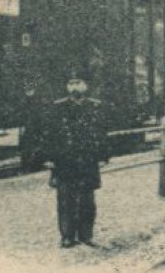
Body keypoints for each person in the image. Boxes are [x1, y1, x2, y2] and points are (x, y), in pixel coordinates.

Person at [37, 68, 112, 248]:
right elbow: (49, 134)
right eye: (71, 83)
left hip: (87, 160)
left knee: (88, 200)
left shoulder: (95, 106)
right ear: (66, 87)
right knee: (65, 200)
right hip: (65, 160)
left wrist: (103, 156)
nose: (74, 87)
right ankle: (67, 236)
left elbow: (102, 133)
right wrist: (49, 157)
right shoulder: (57, 108)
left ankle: (86, 235)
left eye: (78, 83)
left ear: (85, 86)